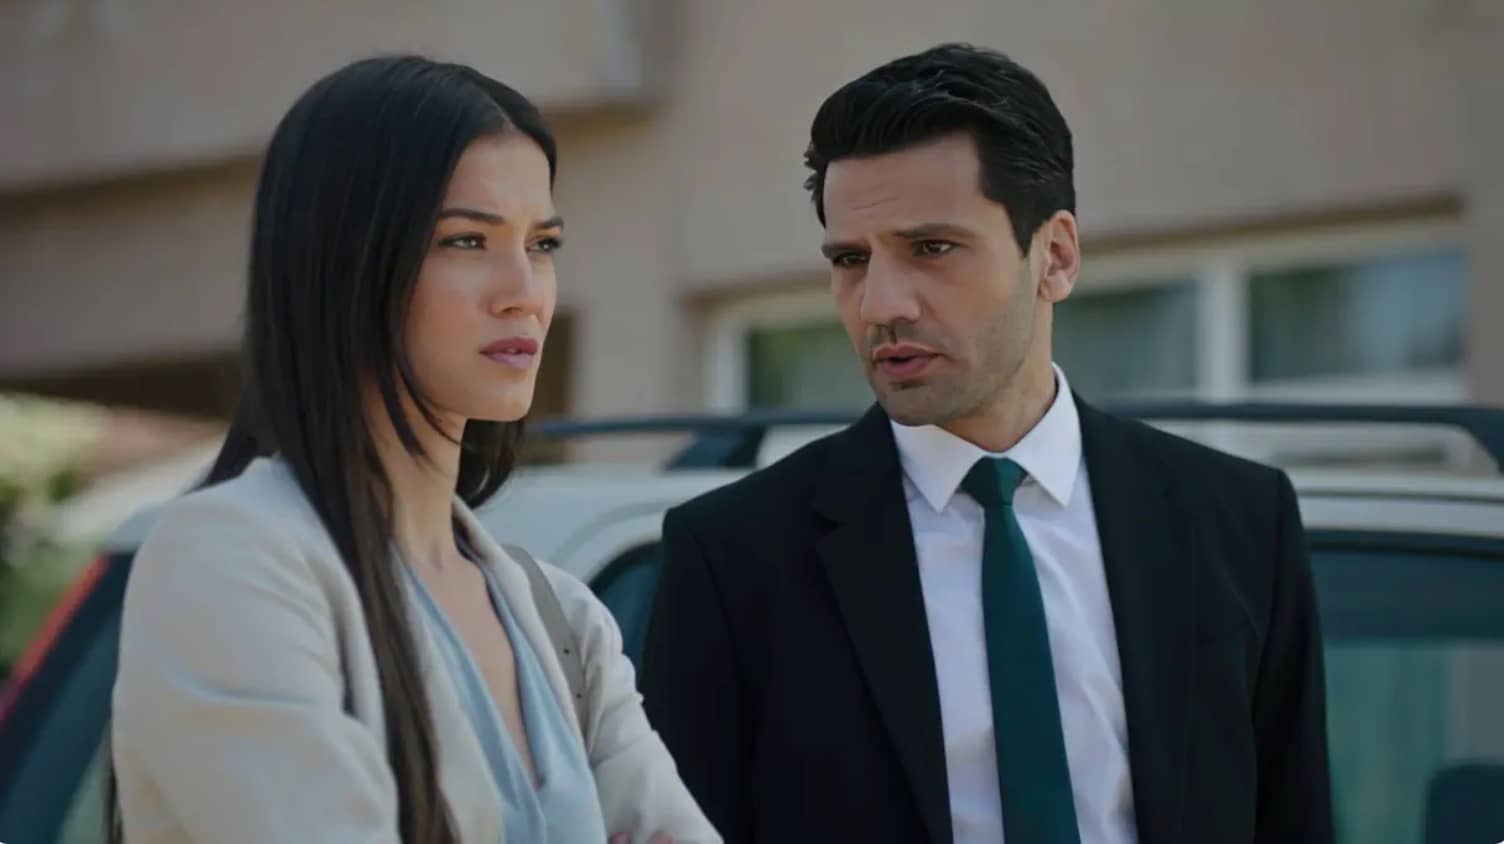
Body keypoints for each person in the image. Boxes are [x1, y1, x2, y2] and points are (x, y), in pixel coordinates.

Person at [641, 43, 1333, 844]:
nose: (881, 305)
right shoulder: (735, 559)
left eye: (931, 249)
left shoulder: (1237, 524)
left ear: (1056, 257)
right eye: (851, 260)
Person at [108, 55, 718, 844]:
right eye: (466, 240)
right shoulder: (231, 561)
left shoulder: (563, 619)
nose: (524, 292)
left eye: (542, 244)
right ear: (348, 261)